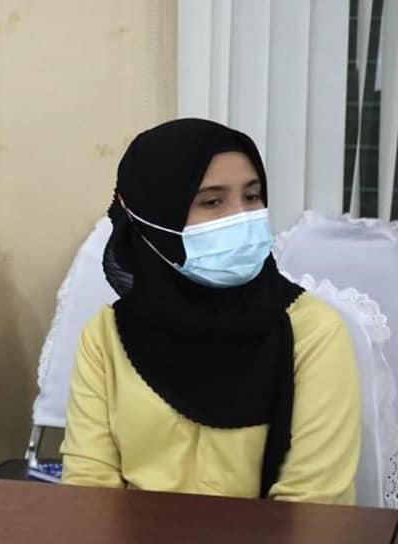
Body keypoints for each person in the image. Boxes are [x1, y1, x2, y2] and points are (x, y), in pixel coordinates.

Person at [61, 118, 360, 503]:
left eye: (252, 196)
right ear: (154, 216)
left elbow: (313, 504)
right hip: (131, 541)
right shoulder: (107, 335)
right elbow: (88, 489)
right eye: (212, 201)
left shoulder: (313, 332)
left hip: (272, 541)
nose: (241, 217)